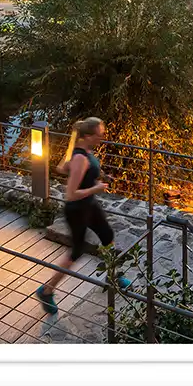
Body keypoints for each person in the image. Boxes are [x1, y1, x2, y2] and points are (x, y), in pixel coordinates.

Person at [35, 117, 130, 315]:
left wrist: (102, 176)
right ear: (87, 136)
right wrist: (95, 188)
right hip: (77, 209)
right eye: (99, 135)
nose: (102, 138)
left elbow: (73, 168)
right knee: (76, 252)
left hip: (90, 205)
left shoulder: (86, 151)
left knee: (107, 235)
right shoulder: (79, 157)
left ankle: (112, 275)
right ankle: (46, 290)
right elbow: (71, 194)